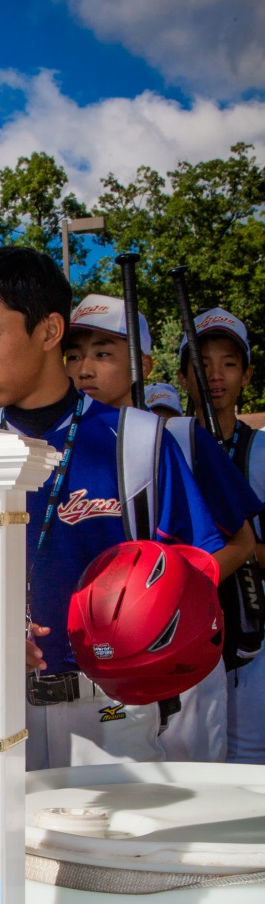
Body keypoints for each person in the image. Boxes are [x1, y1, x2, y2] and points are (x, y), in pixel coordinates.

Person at [0, 249, 243, 771]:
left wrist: (150, 623)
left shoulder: (141, 440)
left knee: (126, 829)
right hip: (1, 709)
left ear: (49, 330)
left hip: (113, 710)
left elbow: (202, 565)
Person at [65, 292, 260, 761]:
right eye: (73, 355)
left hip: (181, 662)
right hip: (99, 668)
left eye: (103, 354)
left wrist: (168, 597)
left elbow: (241, 541)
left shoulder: (179, 437)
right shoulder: (58, 446)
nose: (85, 369)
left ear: (143, 365)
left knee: (192, 788)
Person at [178, 307, 265, 762]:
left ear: (246, 375)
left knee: (250, 764)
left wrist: (236, 552)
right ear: (182, 376)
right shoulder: (164, 444)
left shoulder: (261, 450)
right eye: (202, 363)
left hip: (255, 638)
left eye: (228, 363)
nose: (215, 375)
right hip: (183, 639)